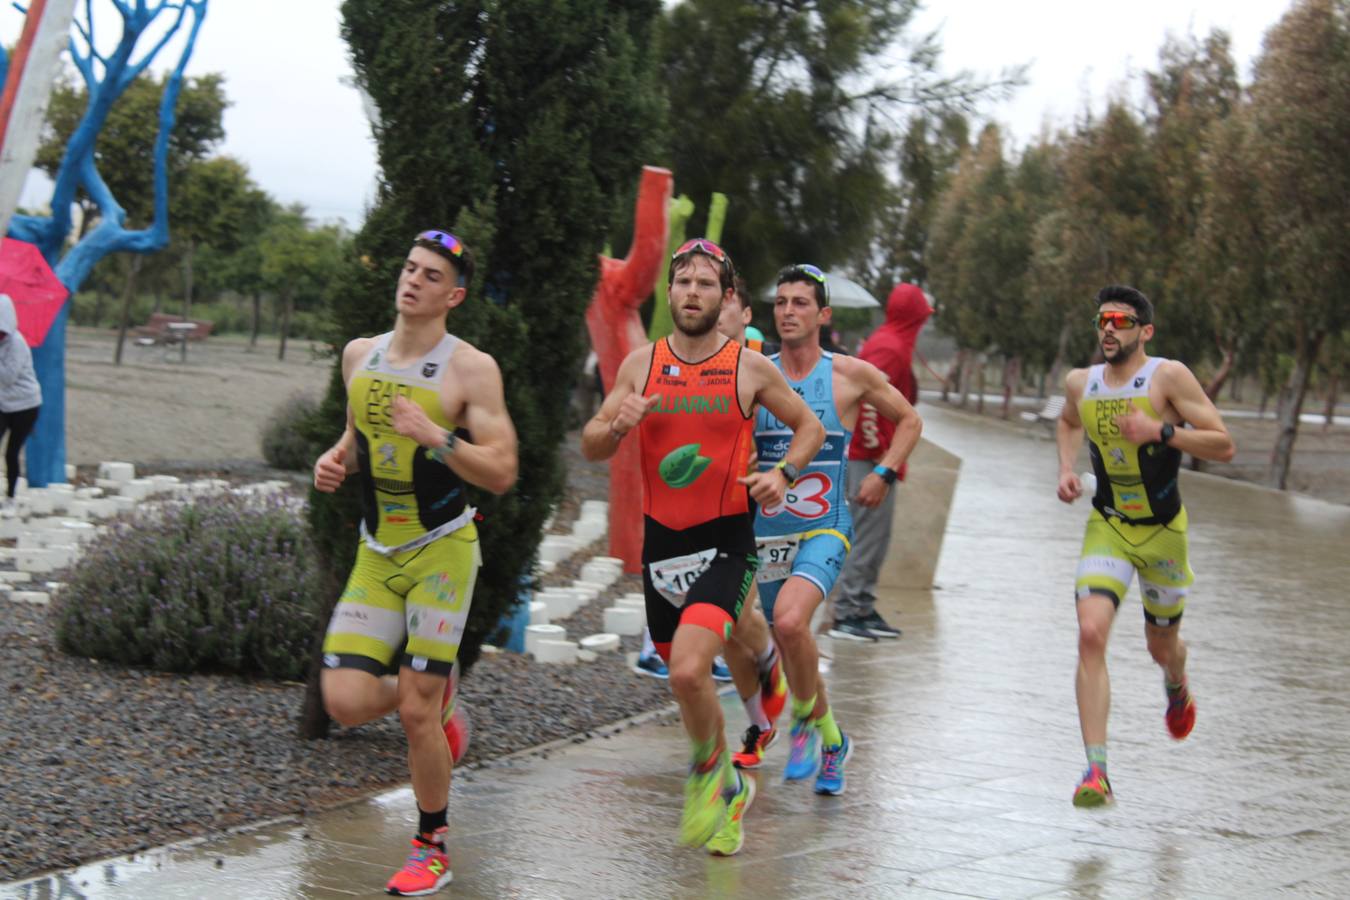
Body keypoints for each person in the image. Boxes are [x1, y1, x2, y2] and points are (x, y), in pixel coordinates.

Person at [582, 238, 824, 857]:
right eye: (683, 282)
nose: (693, 292)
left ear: (725, 299)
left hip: (726, 543)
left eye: (706, 284)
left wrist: (785, 475)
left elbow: (810, 427)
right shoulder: (640, 364)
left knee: (691, 666)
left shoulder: (748, 366)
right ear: (670, 293)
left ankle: (707, 771)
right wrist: (616, 423)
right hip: (662, 550)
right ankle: (727, 773)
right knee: (681, 679)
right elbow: (592, 444)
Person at [313, 230, 519, 895]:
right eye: (408, 269)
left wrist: (438, 437)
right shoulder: (359, 356)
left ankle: (431, 844)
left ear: (453, 296)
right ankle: (439, 700)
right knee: (342, 700)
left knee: (414, 712)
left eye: (431, 276)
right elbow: (358, 430)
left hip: (443, 552)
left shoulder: (472, 369)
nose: (413, 280)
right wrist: (336, 457)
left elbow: (503, 470)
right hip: (378, 551)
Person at [1056, 285, 1235, 808]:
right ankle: (1096, 771)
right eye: (1102, 320)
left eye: (1121, 320)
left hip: (1163, 533)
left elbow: (1223, 443)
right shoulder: (1079, 383)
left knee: (1161, 648)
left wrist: (1161, 430)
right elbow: (1067, 420)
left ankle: (1177, 681)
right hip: (1108, 525)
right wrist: (1067, 470)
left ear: (1145, 331)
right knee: (1091, 633)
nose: (1109, 328)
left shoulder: (1168, 376)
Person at [753, 263, 921, 796]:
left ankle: (803, 723)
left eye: (800, 303)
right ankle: (832, 739)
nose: (787, 312)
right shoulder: (757, 374)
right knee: (788, 638)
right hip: (768, 534)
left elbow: (910, 421)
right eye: (781, 302)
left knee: (790, 621)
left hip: (826, 525)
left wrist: (885, 473)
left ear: (823, 315)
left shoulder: (848, 374)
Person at [712, 277, 791, 772]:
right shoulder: (689, 364)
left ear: (744, 316)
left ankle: (785, 687)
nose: (715, 315)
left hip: (764, 509)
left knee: (751, 618)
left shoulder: (761, 366)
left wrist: (775, 468)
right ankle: (759, 723)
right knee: (726, 630)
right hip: (710, 506)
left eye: (726, 306)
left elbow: (802, 426)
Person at [831, 283, 932, 640]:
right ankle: (847, 613)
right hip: (869, 459)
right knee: (866, 538)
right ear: (914, 317)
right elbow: (870, 408)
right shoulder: (889, 347)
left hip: (876, 457)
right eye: (922, 319)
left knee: (876, 538)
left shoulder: (893, 343)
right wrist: (880, 465)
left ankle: (861, 605)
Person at [0, 295, 41, 506]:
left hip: (26, 405)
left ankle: (11, 497)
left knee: (11, 452)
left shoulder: (17, 343)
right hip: (3, 404)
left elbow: (7, 377)